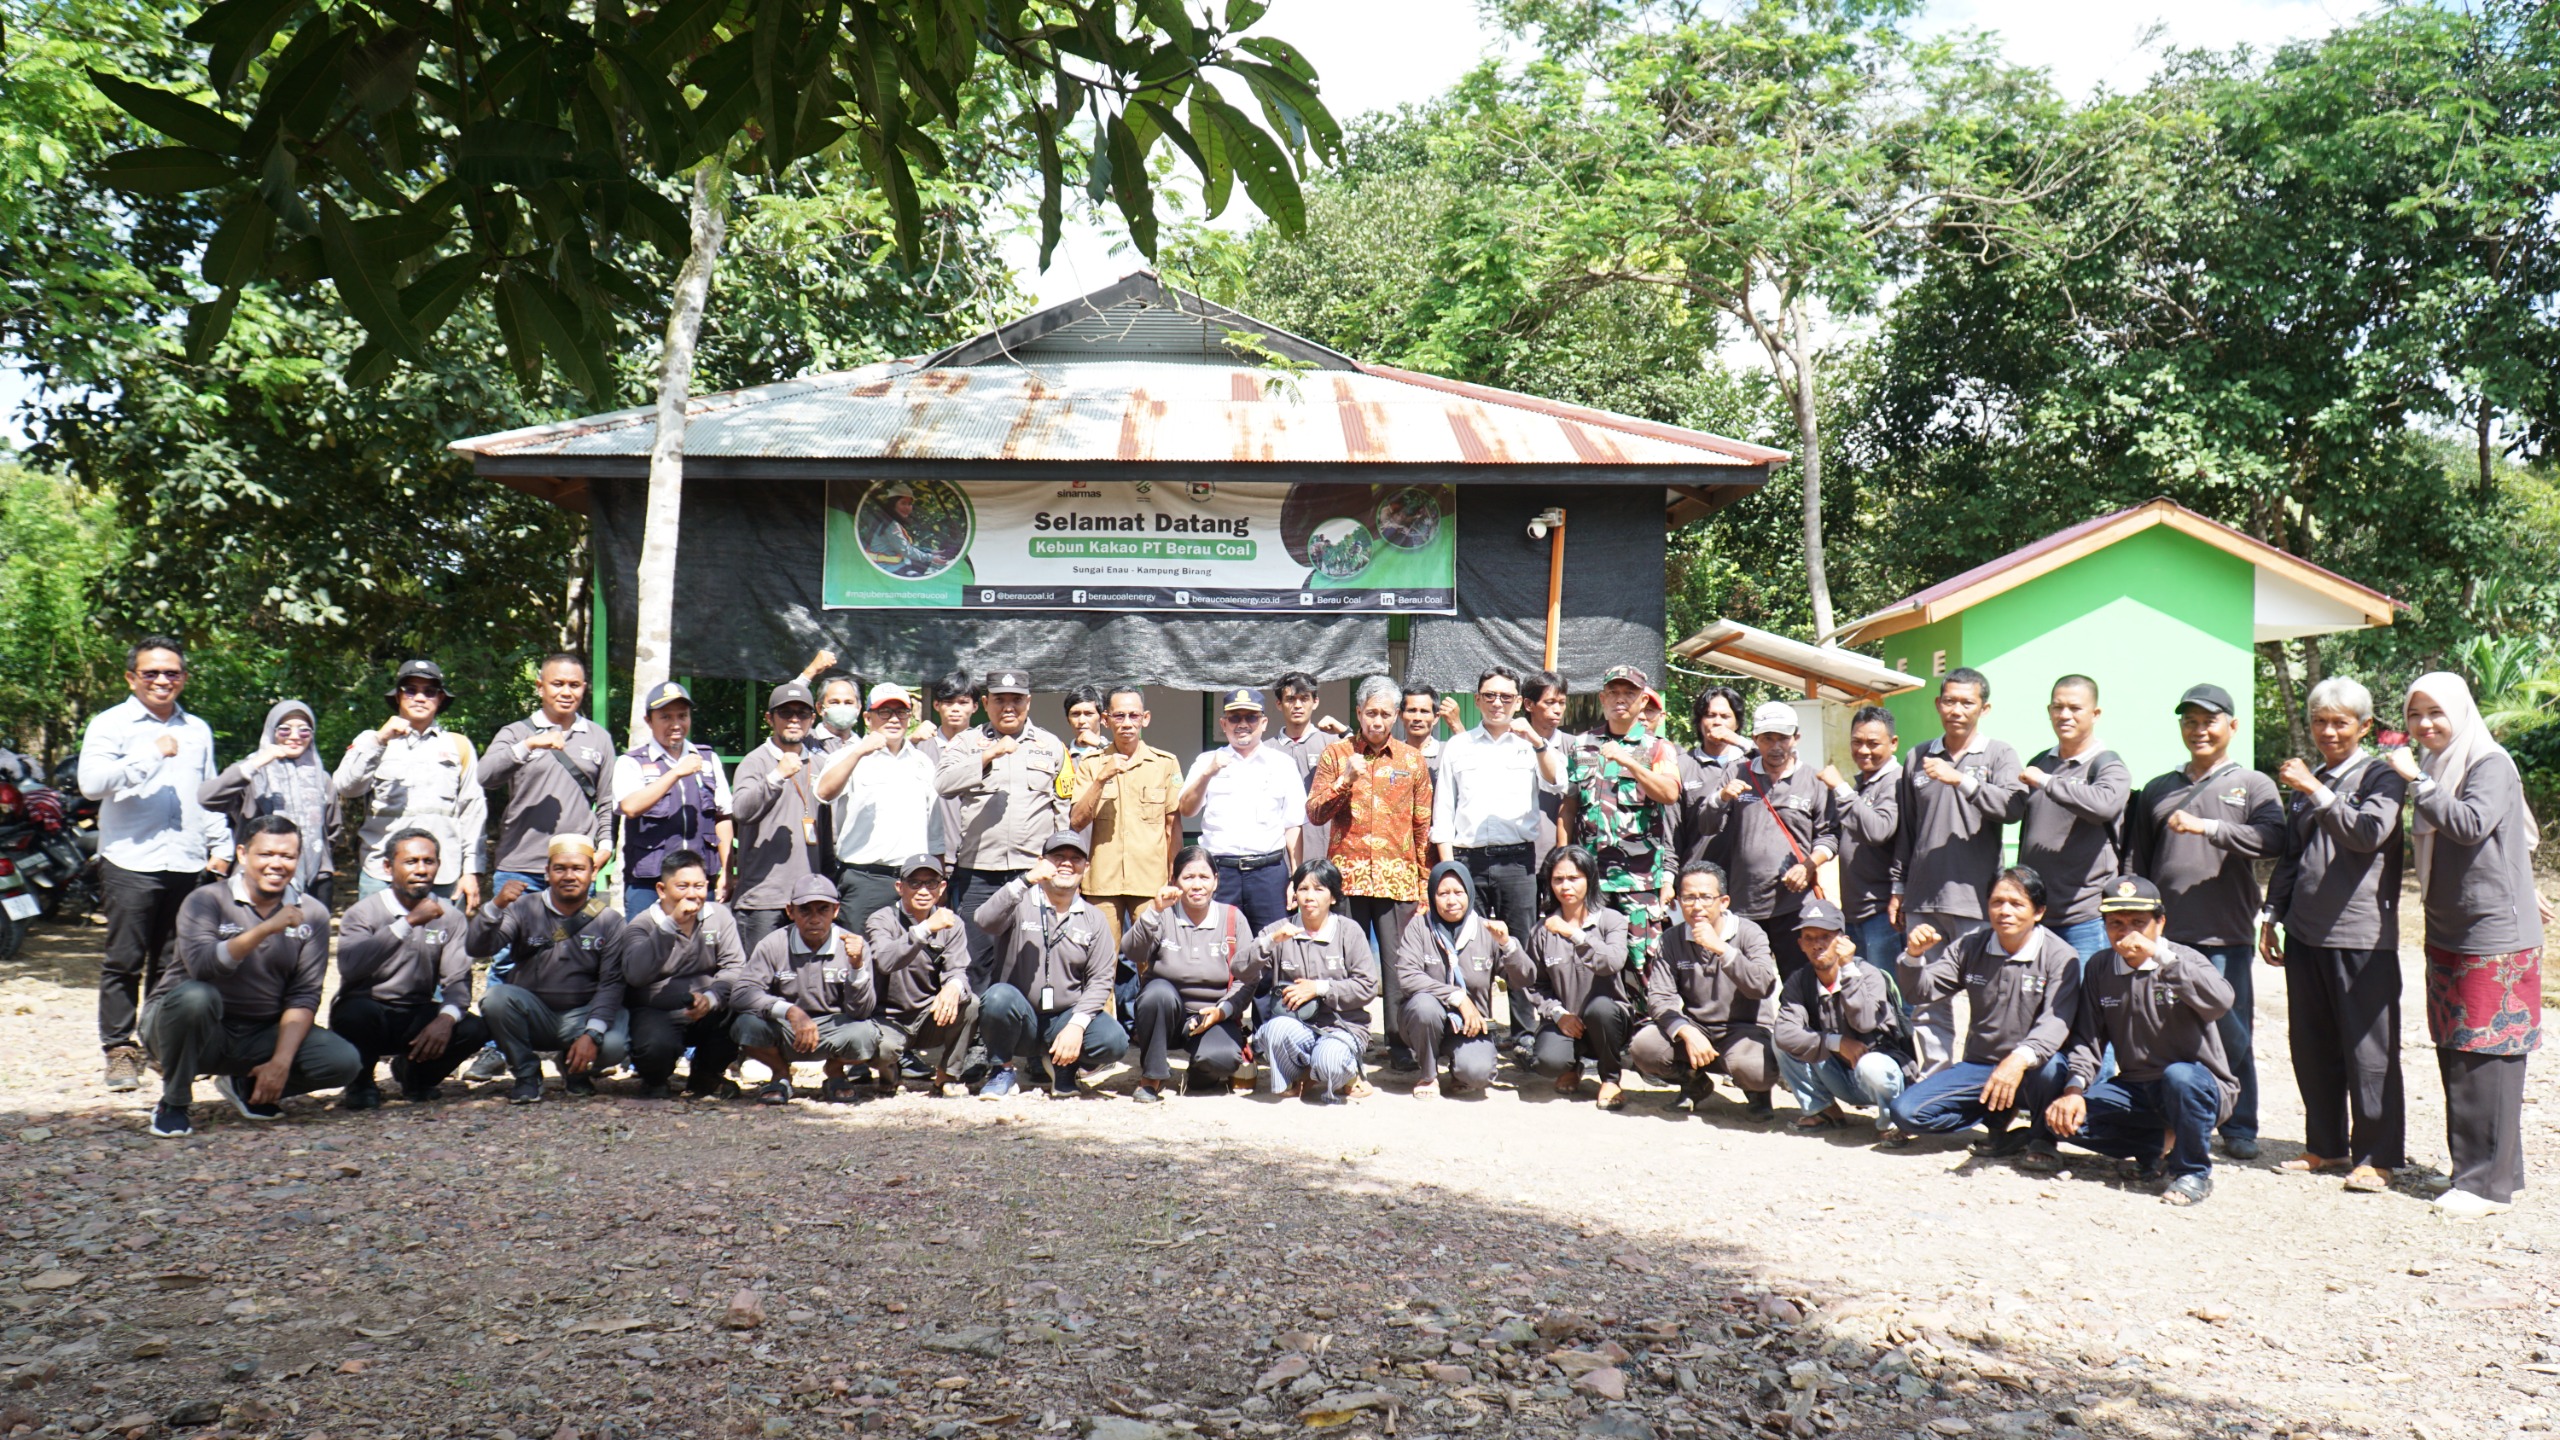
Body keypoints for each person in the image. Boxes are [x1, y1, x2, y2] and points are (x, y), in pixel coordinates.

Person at [2389, 671, 2546, 1218]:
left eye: (2436, 711)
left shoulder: (2488, 762)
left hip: (2492, 935)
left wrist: (2418, 785)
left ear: (2461, 710)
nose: (2425, 723)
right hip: (2452, 925)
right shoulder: (2440, 764)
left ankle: (2485, 1186)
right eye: (2415, 713)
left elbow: (2474, 824)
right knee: (2458, 1050)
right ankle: (2489, 1173)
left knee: (2490, 1055)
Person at [2261, 677, 2406, 1193]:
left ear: (2365, 727)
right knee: (2311, 1043)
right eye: (2320, 721)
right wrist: (2272, 915)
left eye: (2340, 722)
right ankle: (2325, 1146)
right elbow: (2293, 857)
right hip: (2305, 933)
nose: (2328, 731)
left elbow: (2367, 834)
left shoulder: (2382, 777)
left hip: (2362, 936)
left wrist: (2316, 791)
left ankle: (2378, 1156)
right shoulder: (2312, 780)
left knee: (2369, 1051)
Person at [2128, 681, 2283, 1159]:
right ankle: (2177, 1119)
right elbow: (2138, 863)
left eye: (2209, 721)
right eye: (2190, 722)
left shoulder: (2253, 784)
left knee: (2231, 1027)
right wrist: (2135, 921)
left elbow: (2274, 839)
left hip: (2224, 932)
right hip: (2167, 936)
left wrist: (2210, 828)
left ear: (2232, 727)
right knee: (2166, 1028)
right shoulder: (2158, 788)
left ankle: (2240, 1126)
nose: (2199, 730)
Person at [142, 816, 360, 1137]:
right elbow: (202, 967)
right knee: (197, 996)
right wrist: (265, 929)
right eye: (266, 854)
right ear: (243, 855)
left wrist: (281, 1062)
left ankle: (248, 1084)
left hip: (258, 1032)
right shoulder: (205, 900)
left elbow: (304, 994)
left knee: (343, 1061)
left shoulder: (311, 913)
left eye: (287, 856)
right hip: (185, 1025)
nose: (277, 864)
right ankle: (174, 1102)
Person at [81, 634, 233, 1092]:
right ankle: (119, 1049)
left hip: (187, 861)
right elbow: (91, 784)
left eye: (172, 673)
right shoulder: (112, 724)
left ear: (184, 678)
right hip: (130, 858)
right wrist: (149, 753)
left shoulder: (198, 730)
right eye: (151, 673)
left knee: (174, 960)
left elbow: (208, 795)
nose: (162, 680)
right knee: (124, 959)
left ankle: (161, 1044)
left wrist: (221, 845)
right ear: (132, 678)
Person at [2035, 876, 2239, 1207]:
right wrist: (2073, 1091)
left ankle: (2193, 1172)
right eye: (2116, 923)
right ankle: (2158, 1144)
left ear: (2160, 922)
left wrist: (2162, 957)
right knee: (2062, 1122)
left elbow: (2220, 1002)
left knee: (2180, 1077)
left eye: (2138, 923)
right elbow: (2088, 1039)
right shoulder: (2102, 967)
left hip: (2199, 1085)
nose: (2127, 932)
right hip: (2137, 1087)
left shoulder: (2183, 958)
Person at [1885, 867, 2080, 1153]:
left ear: (2038, 912)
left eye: (2016, 904)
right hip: (1981, 1066)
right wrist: (1914, 957)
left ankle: (2041, 1140)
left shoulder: (2060, 956)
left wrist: (2017, 1061)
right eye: (1997, 902)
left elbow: (2055, 1024)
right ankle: (1995, 1121)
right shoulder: (1970, 946)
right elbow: (1920, 991)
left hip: (2033, 1068)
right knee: (1906, 1112)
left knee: (2052, 1069)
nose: (2005, 911)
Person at [1892, 668, 2023, 1075]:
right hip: (1923, 899)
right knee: (1928, 1004)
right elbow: (1907, 830)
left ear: (1984, 708)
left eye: (1967, 702)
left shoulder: (1999, 754)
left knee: (1989, 998)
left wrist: (1960, 780)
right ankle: (1937, 1090)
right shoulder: (1917, 756)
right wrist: (1898, 887)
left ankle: (1988, 1089)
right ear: (1938, 704)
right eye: (1949, 700)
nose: (1957, 710)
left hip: (1977, 901)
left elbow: (2013, 808)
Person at [1304, 677, 1435, 1071]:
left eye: (1385, 714)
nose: (1378, 721)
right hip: (1347, 877)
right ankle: (1345, 1035)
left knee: (1397, 964)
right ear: (1358, 713)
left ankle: (1398, 1042)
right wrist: (1346, 780)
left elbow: (1422, 827)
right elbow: (1314, 813)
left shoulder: (1412, 761)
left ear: (1396, 716)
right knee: (1344, 961)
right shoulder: (1335, 754)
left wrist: (1424, 884)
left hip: (1397, 879)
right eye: (1371, 713)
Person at [330, 828, 489, 1108]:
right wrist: (408, 922)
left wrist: (445, 1020)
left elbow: (457, 981)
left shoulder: (450, 917)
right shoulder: (363, 913)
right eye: (411, 862)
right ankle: (361, 1082)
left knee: (473, 1028)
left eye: (429, 862)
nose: (421, 869)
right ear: (389, 867)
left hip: (416, 1012)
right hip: (369, 1008)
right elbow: (352, 968)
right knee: (353, 1013)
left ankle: (415, 1076)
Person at [467, 833, 629, 1103]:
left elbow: (611, 983)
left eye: (578, 869)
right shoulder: (522, 908)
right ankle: (527, 1073)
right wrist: (495, 907)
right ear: (547, 873)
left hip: (581, 1014)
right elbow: (478, 948)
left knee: (612, 1045)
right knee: (495, 999)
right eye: (560, 868)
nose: (569, 876)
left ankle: (574, 1069)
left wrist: (592, 1034)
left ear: (593, 872)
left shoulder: (609, 920)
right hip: (534, 1013)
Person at [1431, 668, 1564, 996]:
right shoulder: (1458, 746)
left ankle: (1524, 1032)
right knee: (1466, 946)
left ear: (1519, 702)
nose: (1497, 703)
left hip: (1517, 862)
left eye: (1506, 697)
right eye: (1489, 696)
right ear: (1477, 700)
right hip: (1468, 861)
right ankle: (1472, 1023)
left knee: (1519, 945)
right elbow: (1444, 812)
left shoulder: (1532, 745)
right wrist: (1452, 871)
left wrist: (1536, 742)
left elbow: (1558, 781)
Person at [970, 832, 1128, 1098]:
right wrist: (1025, 880)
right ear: (1042, 861)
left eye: (1075, 859)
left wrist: (1076, 1026)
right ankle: (1003, 1071)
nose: (1066, 864)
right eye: (1058, 857)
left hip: (1064, 1017)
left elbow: (1101, 979)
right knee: (997, 997)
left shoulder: (1094, 918)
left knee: (1114, 1040)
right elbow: (984, 921)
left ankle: (1064, 1067)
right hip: (1021, 1018)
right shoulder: (1020, 901)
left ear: (1086, 868)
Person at [934, 669, 1069, 976]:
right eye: (1000, 700)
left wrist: (1059, 869)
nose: (1008, 706)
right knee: (975, 961)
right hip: (979, 872)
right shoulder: (967, 742)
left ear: (1029, 702)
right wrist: (987, 755)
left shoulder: (1052, 746)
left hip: (1032, 870)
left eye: (1016, 700)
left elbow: (1062, 811)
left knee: (1032, 960)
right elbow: (942, 783)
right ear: (985, 702)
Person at [1561, 665, 1684, 986]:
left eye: (1629, 693)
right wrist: (1563, 859)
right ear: (1602, 698)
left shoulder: (1658, 747)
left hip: (1638, 880)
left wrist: (1629, 761)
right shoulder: (1583, 744)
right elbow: (1571, 802)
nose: (1620, 699)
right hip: (1591, 880)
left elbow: (1670, 793)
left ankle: (1647, 1030)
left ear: (1643, 701)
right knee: (1587, 958)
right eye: (1613, 692)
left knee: (1642, 961)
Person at [1629, 861, 1779, 1119]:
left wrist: (1722, 949)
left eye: (1706, 897)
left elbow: (1763, 985)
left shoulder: (1750, 933)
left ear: (1724, 902)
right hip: (1697, 1028)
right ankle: (1694, 1083)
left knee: (1756, 1069)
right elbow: (1659, 996)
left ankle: (1757, 1093)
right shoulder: (1672, 938)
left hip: (1745, 1029)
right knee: (1644, 1047)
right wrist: (1685, 1031)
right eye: (1689, 898)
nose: (1697, 906)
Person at [1701, 702, 1837, 984]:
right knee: (1745, 983)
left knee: (1798, 982)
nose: (1776, 746)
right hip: (1746, 903)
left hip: (1795, 906)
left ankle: (1799, 1028)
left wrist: (1809, 866)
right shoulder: (1737, 773)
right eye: (1767, 738)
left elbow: (1829, 835)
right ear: (1755, 740)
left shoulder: (1813, 780)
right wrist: (1722, 797)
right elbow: (1706, 824)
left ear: (1796, 738)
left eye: (1783, 738)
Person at [335, 659, 487, 907]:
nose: (420, 697)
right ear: (397, 696)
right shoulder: (371, 740)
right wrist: (381, 739)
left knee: (440, 943)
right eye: (411, 690)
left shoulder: (458, 746)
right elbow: (345, 787)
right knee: (378, 943)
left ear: (440, 698)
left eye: (429, 692)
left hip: (443, 872)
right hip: (382, 871)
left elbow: (473, 810)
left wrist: (472, 871)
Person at [730, 876, 891, 1104]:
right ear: (790, 911)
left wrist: (856, 966)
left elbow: (861, 1012)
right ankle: (780, 1073)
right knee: (746, 1025)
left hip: (834, 1028)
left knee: (865, 1035)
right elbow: (742, 992)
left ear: (835, 911)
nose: (814, 919)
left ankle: (835, 1072)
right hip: (787, 1028)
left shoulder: (853, 945)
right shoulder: (773, 943)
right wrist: (790, 1012)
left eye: (822, 910)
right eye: (805, 910)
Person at [608, 847, 747, 1099]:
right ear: (662, 889)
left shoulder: (720, 917)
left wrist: (712, 998)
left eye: (699, 886)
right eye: (682, 886)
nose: (693, 895)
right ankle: (655, 1078)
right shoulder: (642, 924)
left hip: (708, 1007)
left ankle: (706, 1075)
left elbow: (735, 968)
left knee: (740, 1013)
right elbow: (635, 976)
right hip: (657, 1011)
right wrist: (670, 925)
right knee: (653, 1047)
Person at [1119, 846, 1255, 1101]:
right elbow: (1133, 952)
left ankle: (1201, 1071)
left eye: (1204, 877)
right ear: (1175, 882)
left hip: (1212, 1017)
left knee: (1222, 1060)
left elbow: (1247, 978)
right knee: (1157, 993)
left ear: (1216, 881)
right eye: (1188, 877)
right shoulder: (1163, 914)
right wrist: (1153, 912)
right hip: (1166, 1015)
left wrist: (1222, 1011)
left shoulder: (1233, 918)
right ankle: (1152, 1076)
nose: (1196, 885)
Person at [2013, 676, 2130, 962]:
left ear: (2095, 714)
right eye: (2057, 707)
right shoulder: (2040, 761)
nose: (2064, 715)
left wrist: (2046, 782)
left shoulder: (2108, 765)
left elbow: (2103, 806)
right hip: (2037, 914)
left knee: (2087, 1004)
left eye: (2075, 708)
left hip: (2085, 918)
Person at [476, 653, 614, 896]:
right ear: (540, 687)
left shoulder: (598, 737)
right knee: (512, 935)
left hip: (575, 867)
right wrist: (529, 745)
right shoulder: (516, 733)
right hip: (519, 866)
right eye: (557, 684)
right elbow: (485, 776)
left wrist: (604, 846)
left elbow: (606, 801)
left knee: (573, 936)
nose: (566, 692)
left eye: (574, 685)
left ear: (583, 688)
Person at [1772, 896, 1911, 1134]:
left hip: (1879, 1072)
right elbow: (1785, 1032)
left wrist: (1848, 970)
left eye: (1826, 937)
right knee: (1781, 1044)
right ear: (1801, 944)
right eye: (1810, 938)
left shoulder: (1869, 974)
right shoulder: (1801, 980)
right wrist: (1836, 1043)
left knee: (1872, 1065)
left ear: (1844, 941)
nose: (1818, 945)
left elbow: (1864, 1022)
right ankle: (1822, 1110)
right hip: (1837, 1073)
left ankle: (1892, 1122)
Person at [1249, 859, 1381, 1104]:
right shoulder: (1280, 929)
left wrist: (1320, 988)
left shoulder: (1349, 931)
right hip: (1296, 1024)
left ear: (1332, 897)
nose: (1310, 896)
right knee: (1274, 1030)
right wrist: (1268, 943)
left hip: (1342, 1026)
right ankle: (1297, 1076)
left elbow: (1367, 986)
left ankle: (1336, 1074)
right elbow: (1241, 969)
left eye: (1319, 889)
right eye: (1303, 889)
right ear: (1294, 893)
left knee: (1330, 1060)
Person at [1178, 688, 1307, 936]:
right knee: (1217, 945)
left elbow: (1293, 826)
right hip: (1220, 872)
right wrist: (1207, 774)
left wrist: (1296, 877)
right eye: (1235, 718)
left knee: (1274, 945)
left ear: (1264, 722)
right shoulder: (1206, 761)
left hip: (1269, 873)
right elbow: (1187, 809)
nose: (1243, 724)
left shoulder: (1282, 764)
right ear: (1223, 724)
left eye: (1251, 717)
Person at [1516, 845, 1634, 1109]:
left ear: (1590, 879)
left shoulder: (1612, 920)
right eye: (1558, 879)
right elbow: (1536, 985)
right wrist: (1558, 1014)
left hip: (1609, 1021)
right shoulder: (1542, 930)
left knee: (1601, 1008)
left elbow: (1612, 961)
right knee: (1546, 1062)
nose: (1565, 886)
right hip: (1567, 1021)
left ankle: (1611, 1078)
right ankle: (1572, 1065)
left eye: (1574, 878)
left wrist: (1574, 934)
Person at [1395, 860, 1524, 1098]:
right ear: (1432, 896)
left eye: (1458, 892)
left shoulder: (1485, 930)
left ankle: (1459, 1070)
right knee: (1424, 1005)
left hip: (1470, 1028)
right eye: (1443, 893)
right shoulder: (1419, 926)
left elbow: (1524, 979)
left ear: (1470, 894)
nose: (1451, 900)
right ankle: (1428, 1074)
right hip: (1423, 1022)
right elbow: (1408, 976)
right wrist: (1458, 998)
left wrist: (1508, 945)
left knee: (1477, 1074)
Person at [819, 682, 944, 926]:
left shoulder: (922, 762)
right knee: (860, 957)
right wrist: (857, 753)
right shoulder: (848, 755)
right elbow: (824, 793)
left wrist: (937, 880)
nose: (894, 719)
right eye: (884, 712)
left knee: (911, 959)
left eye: (901, 712)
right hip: (865, 878)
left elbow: (935, 829)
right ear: (867, 718)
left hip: (914, 881)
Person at [1065, 685, 1182, 944]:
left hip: (1151, 883)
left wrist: (1174, 877)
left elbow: (1172, 826)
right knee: (1100, 963)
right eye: (1119, 716)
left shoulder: (1165, 763)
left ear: (1146, 719)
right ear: (1106, 720)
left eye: (1134, 715)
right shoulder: (1091, 763)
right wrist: (1101, 778)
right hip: (1102, 883)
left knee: (1152, 961)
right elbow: (1077, 821)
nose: (1127, 723)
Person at [611, 680, 734, 919]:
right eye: (665, 717)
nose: (676, 724)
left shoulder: (707, 759)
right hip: (648, 881)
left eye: (682, 716)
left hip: (698, 882)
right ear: (648, 721)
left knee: (699, 951)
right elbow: (630, 806)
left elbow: (723, 816)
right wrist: (676, 772)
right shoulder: (633, 761)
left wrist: (726, 872)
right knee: (645, 951)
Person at [202, 699, 341, 908]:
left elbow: (331, 829)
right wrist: (258, 762)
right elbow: (208, 798)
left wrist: (312, 860)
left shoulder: (321, 778)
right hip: (259, 876)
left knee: (308, 938)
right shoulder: (252, 772)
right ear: (271, 731)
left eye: (304, 731)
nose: (295, 736)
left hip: (315, 877)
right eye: (284, 730)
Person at [729, 682, 828, 953]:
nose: (794, 719)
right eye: (785, 713)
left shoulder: (820, 764)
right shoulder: (756, 761)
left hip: (810, 898)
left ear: (812, 718)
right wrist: (776, 776)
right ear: (769, 718)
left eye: (802, 713)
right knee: (757, 981)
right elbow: (741, 811)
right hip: (764, 898)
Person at [864, 855, 977, 1096]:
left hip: (929, 1016)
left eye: (931, 883)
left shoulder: (952, 923)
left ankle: (946, 1076)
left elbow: (958, 969)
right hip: (889, 1017)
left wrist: (953, 986)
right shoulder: (882, 919)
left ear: (942, 887)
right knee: (882, 1051)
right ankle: (889, 1070)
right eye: (914, 883)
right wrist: (925, 929)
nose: (923, 890)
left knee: (971, 1003)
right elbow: (886, 961)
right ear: (899, 887)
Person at [1815, 705, 1900, 975]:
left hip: (1882, 913)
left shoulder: (1895, 782)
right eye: (1857, 742)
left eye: (1873, 743)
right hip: (1854, 912)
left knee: (1887, 995)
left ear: (1893, 743)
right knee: (1860, 991)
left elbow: (1878, 830)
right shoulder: (1861, 785)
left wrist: (1839, 788)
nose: (1863, 750)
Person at [1268, 671, 1346, 860]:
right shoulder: (1266, 750)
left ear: (1315, 702)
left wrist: (1345, 731)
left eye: (1304, 699)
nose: (1297, 705)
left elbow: (1366, 760)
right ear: (1279, 704)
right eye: (1290, 699)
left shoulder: (1333, 744)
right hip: (1278, 850)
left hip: (1324, 842)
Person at [1675, 685, 1750, 864]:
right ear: (1700, 722)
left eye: (1725, 716)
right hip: (1697, 877)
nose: (1717, 722)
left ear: (1737, 723)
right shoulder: (1682, 765)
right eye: (1710, 715)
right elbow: (1672, 830)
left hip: (1743, 879)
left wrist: (1739, 741)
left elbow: (1783, 758)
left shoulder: (1753, 763)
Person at [919, 671, 977, 870]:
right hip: (929, 858)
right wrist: (909, 741)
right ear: (937, 705)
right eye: (948, 702)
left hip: (975, 858)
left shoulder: (986, 749)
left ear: (975, 706)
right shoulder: (920, 748)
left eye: (963, 702)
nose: (955, 709)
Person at [1522, 671, 1570, 865]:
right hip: (1519, 851)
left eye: (1562, 702)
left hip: (1558, 856)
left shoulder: (1574, 746)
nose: (1557, 709)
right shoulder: (1512, 744)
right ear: (1528, 705)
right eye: (1549, 702)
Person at [1400, 683, 1445, 776]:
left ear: (1436, 717)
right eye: (1411, 710)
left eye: (1424, 711)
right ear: (1400, 715)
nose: (1417, 718)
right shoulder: (1392, 754)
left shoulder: (1446, 753)